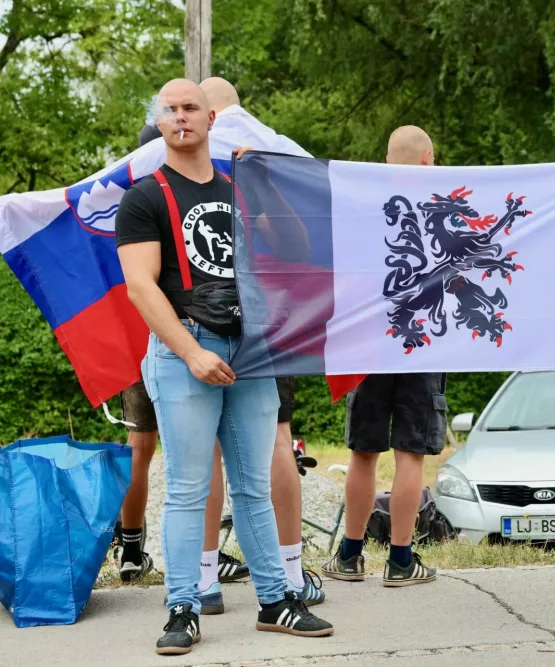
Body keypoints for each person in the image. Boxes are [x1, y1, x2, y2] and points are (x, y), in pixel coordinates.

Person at [115, 78, 333, 656]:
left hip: (251, 347)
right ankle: (183, 607)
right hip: (185, 346)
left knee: (253, 485)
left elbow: (294, 243)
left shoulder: (240, 187)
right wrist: (190, 353)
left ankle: (275, 600)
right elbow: (141, 286)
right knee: (188, 488)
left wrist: (269, 184)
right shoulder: (144, 197)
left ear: (212, 119)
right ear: (159, 122)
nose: (182, 117)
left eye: (192, 108)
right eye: (171, 110)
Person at [197, 77, 325, 611]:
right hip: (260, 316)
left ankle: (203, 581)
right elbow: (298, 238)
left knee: (203, 453)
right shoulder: (268, 150)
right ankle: (292, 575)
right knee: (276, 444)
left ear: (204, 114)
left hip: (199, 321)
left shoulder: (175, 158)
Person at [116, 123, 249, 589]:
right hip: (165, 342)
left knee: (150, 450)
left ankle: (142, 550)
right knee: (192, 460)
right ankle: (197, 570)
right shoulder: (147, 197)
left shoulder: (132, 192)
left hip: (152, 341)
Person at [322, 125, 443, 587]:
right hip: (426, 341)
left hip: (368, 342)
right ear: (428, 159)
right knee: (411, 453)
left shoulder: (359, 200)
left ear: (386, 157)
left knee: (363, 451)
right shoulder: (445, 203)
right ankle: (400, 561)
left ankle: (350, 556)